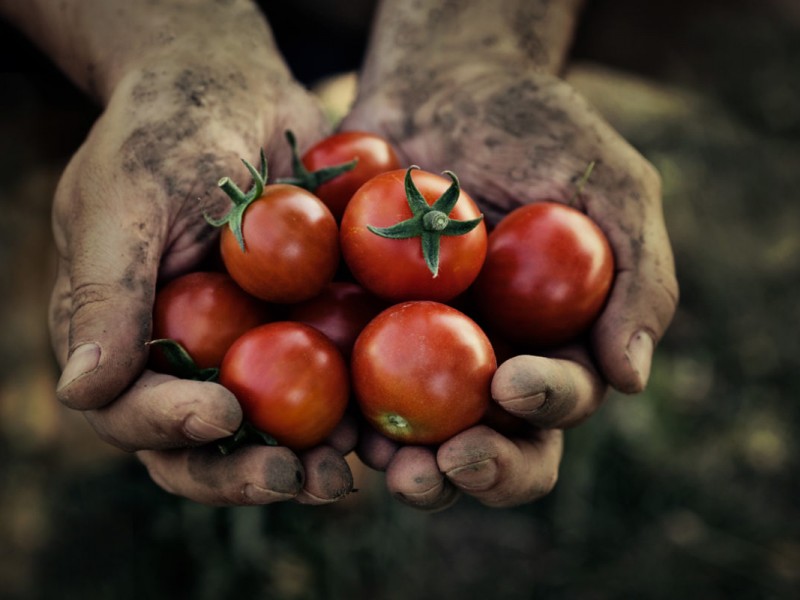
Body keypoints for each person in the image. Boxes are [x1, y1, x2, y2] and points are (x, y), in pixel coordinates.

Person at [0, 0, 677, 509]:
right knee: (81, 186)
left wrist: (471, 49)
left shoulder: (386, 228)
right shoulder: (365, 227)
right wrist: (168, 52)